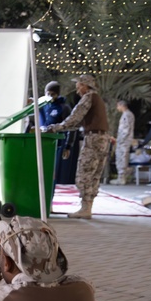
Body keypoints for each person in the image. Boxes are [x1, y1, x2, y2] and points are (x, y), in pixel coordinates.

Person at [42, 74, 112, 219]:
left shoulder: (88, 97)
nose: (77, 88)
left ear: (86, 86)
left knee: (84, 173)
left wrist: (55, 128)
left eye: (79, 85)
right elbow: (79, 122)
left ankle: (85, 209)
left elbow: (74, 118)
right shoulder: (97, 99)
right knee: (94, 175)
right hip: (103, 138)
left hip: (93, 139)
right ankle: (87, 208)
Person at [112, 100, 135, 185]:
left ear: (122, 105)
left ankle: (121, 178)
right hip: (125, 141)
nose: (117, 108)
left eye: (118, 106)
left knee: (121, 158)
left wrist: (120, 140)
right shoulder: (128, 114)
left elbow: (125, 129)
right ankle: (121, 177)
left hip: (123, 141)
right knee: (122, 158)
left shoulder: (127, 115)